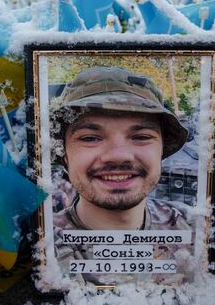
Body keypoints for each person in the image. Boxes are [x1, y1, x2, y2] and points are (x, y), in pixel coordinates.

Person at [50, 66, 193, 283]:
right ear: (64, 155)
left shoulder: (197, 230)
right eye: (90, 138)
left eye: (141, 136)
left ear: (161, 150)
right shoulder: (39, 250)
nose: (118, 156)